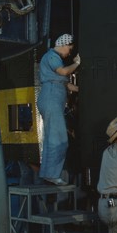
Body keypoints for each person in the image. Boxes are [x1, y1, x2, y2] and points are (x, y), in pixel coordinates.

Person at [37, 33, 80, 185]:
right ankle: (52, 174)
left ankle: (47, 173)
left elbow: (66, 84)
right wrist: (76, 64)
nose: (69, 52)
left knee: (51, 138)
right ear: (63, 44)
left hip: (52, 97)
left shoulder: (53, 59)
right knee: (59, 139)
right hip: (51, 98)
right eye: (69, 48)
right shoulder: (52, 56)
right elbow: (63, 72)